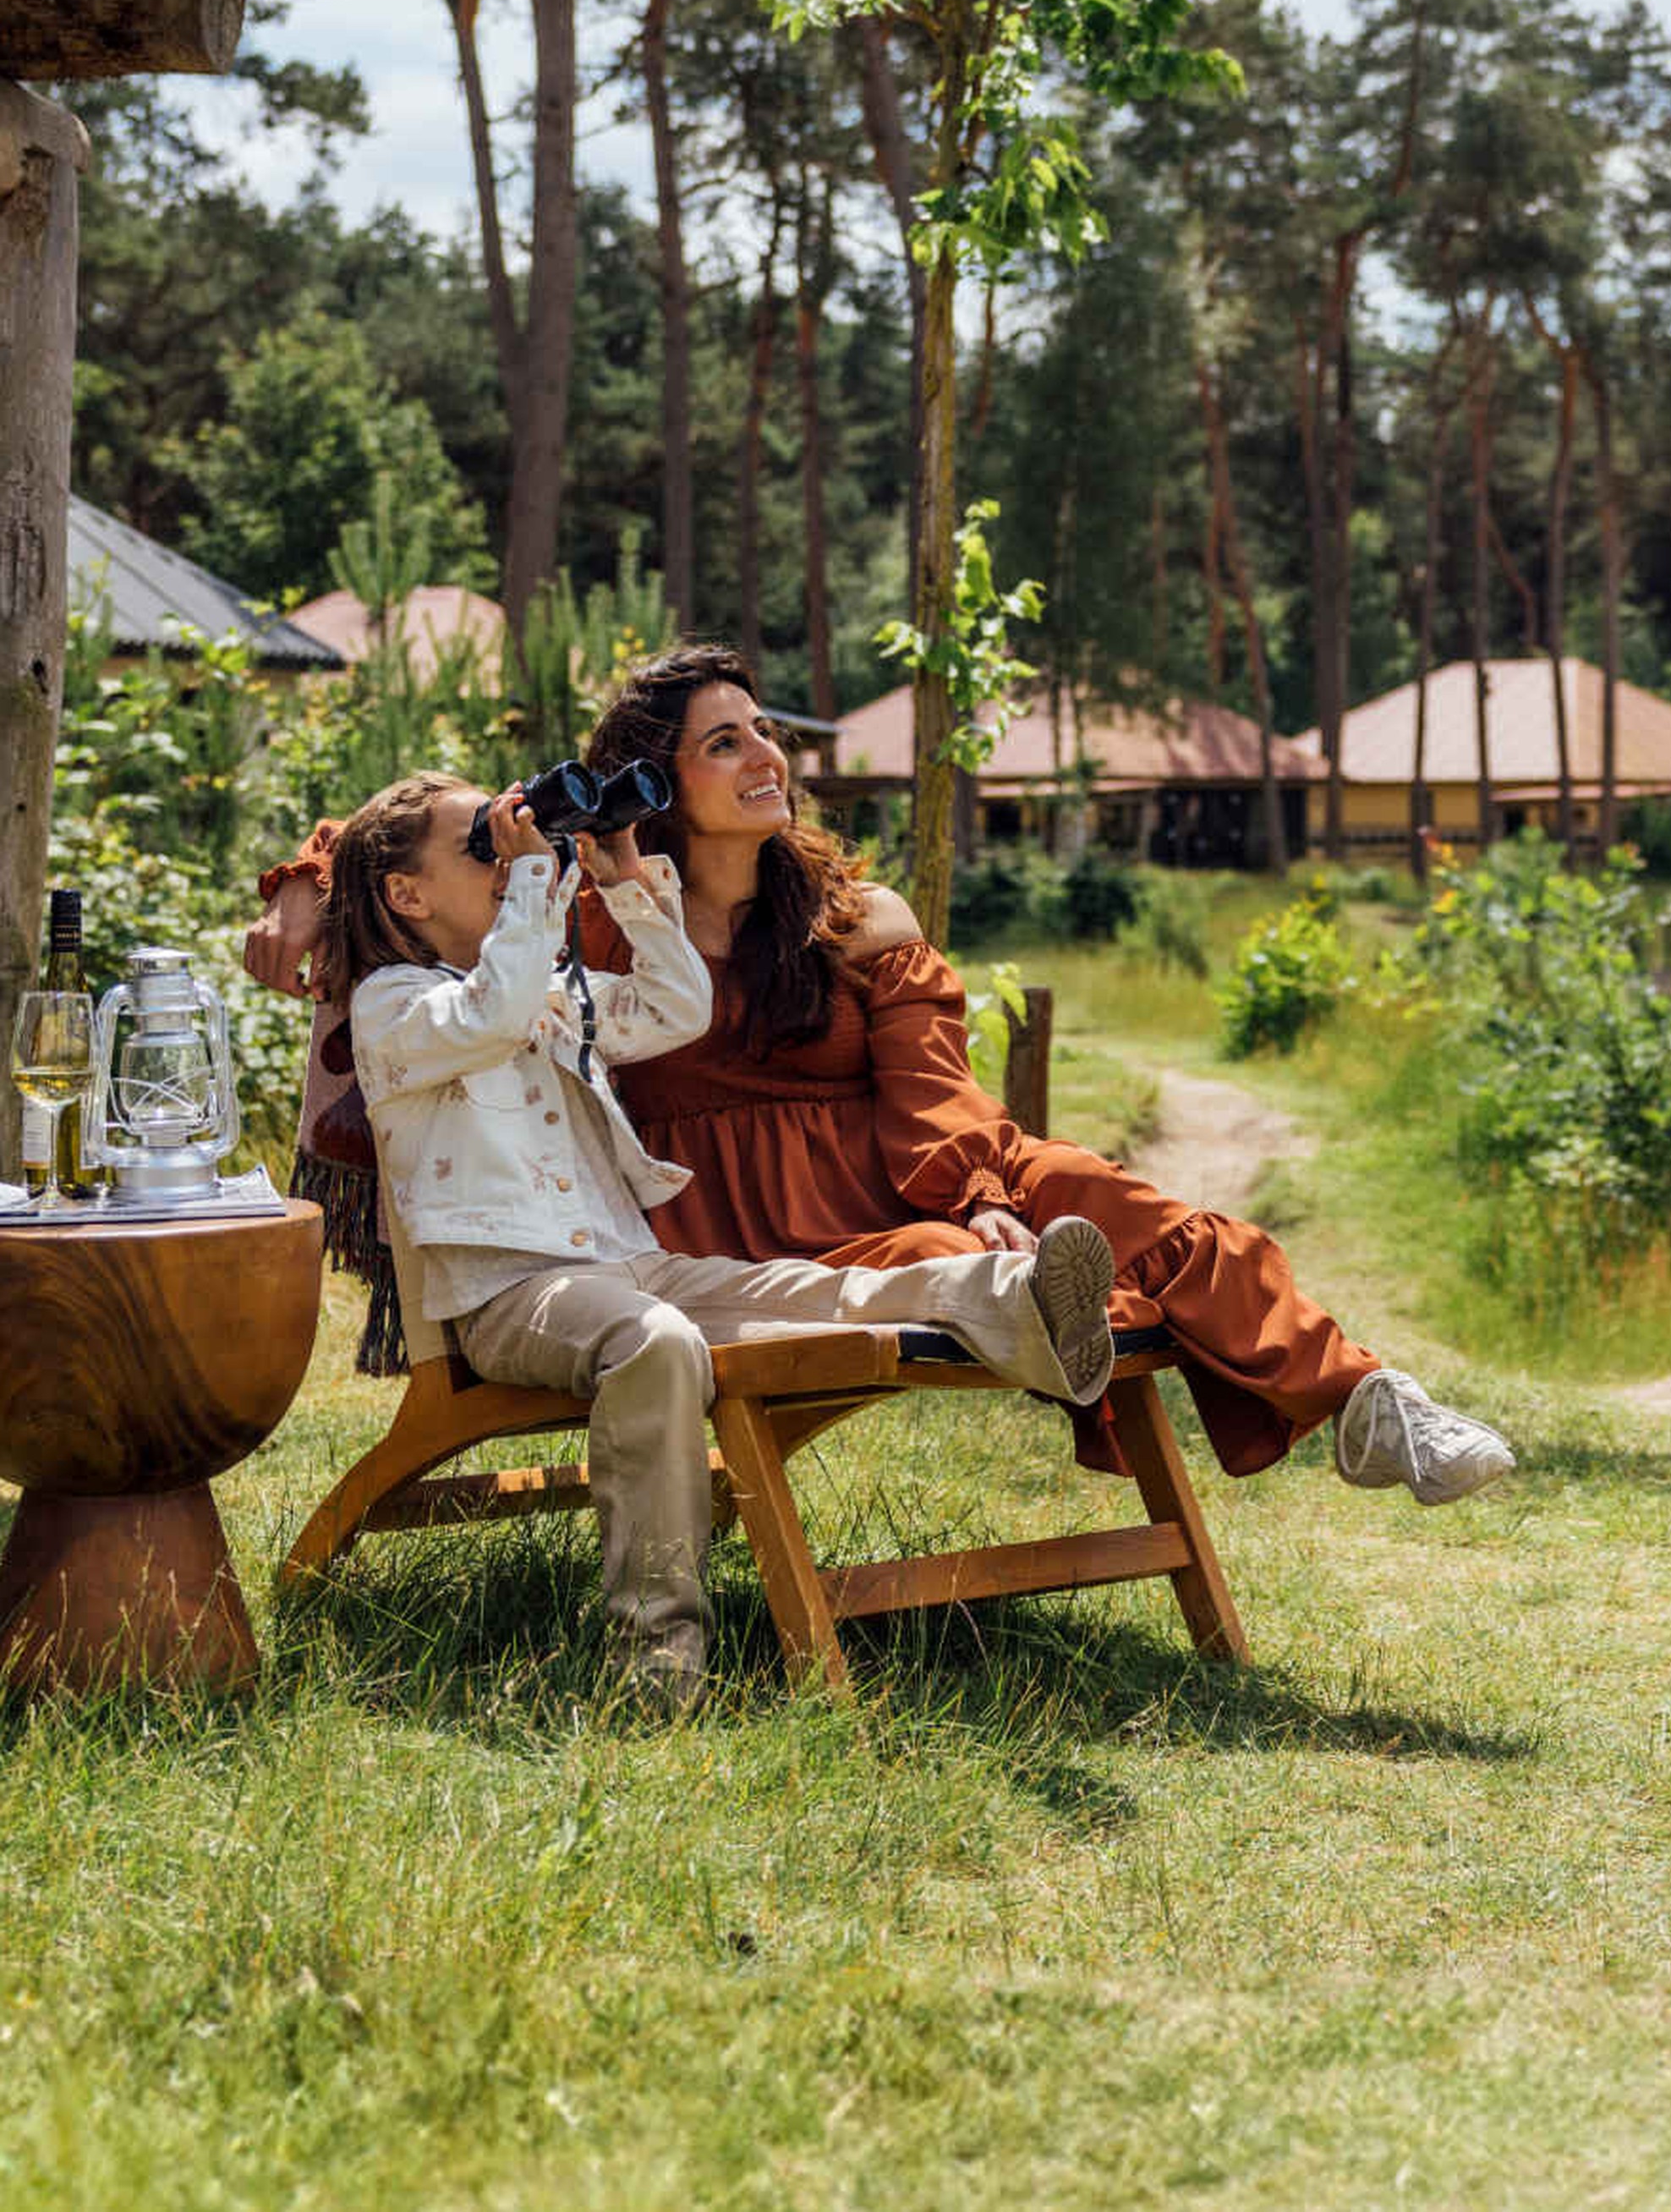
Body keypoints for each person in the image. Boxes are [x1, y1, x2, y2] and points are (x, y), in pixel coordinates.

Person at [252, 642, 1509, 1509]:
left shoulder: (856, 913)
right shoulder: (599, 911)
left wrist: (973, 1189)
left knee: (1135, 1210)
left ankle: (1366, 1401)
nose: (765, 759)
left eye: (766, 734)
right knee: (928, 1277)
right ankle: (1031, 1290)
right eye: (723, 743)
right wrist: (313, 890)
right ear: (658, 782)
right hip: (730, 1219)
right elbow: (431, 831)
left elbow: (931, 1081)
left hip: (906, 1164)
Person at [320, 766, 1120, 1711]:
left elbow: (673, 1011)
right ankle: (656, 1660)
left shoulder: (537, 988)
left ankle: (1023, 1309)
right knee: (652, 1341)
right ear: (405, 895)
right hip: (509, 1297)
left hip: (624, 1266)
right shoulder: (395, 1007)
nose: (510, 855)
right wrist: (536, 880)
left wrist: (623, 877)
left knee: (812, 1292)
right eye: (482, 845)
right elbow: (488, 1014)